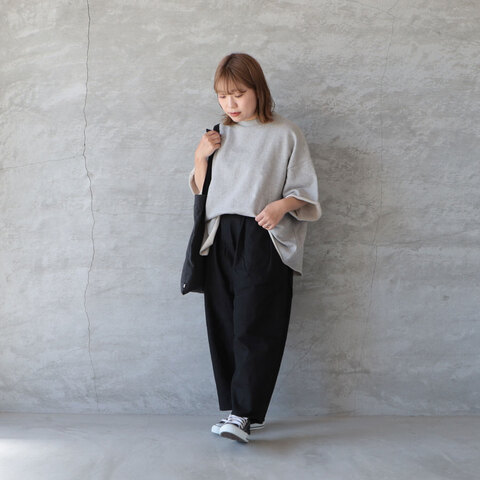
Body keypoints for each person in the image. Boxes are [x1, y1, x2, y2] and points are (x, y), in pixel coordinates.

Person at [188, 53, 322, 443]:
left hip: (262, 235)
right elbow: (201, 189)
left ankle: (244, 414)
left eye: (238, 93)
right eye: (222, 95)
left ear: (257, 90)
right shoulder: (217, 134)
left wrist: (280, 207)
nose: (230, 103)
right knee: (225, 326)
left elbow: (305, 191)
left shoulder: (286, 133)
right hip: (219, 236)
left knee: (255, 325)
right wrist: (200, 155)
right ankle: (242, 412)